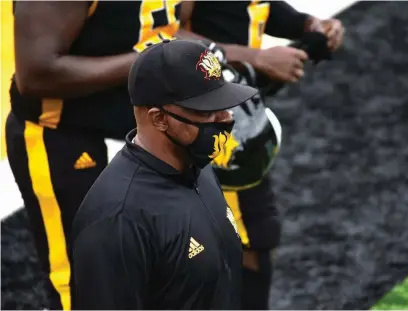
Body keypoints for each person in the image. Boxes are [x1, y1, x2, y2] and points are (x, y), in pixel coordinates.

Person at [5, 1, 185, 309]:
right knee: (88, 288)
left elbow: (179, 26)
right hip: (63, 133)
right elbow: (36, 74)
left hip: (144, 128)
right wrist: (151, 60)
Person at [178, 1, 346, 309]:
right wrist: (255, 58)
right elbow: (159, 32)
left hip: (233, 112)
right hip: (206, 122)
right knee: (240, 239)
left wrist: (307, 25)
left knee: (249, 236)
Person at [70, 39, 258, 310]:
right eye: (208, 111)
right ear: (159, 119)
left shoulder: (198, 168)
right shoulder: (118, 221)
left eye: (224, 105)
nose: (225, 118)